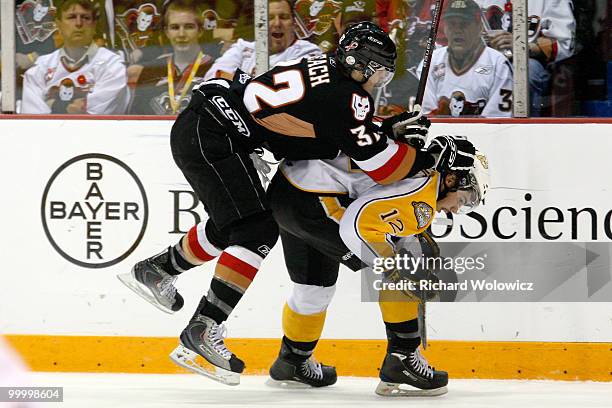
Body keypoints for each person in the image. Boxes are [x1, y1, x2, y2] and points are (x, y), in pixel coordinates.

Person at [118, 21, 470, 385]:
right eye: (379, 72)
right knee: (256, 230)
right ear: (361, 65)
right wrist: (427, 157)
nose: (378, 81)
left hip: (210, 122)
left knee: (237, 224)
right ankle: (204, 327)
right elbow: (382, 165)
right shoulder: (348, 96)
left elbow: (325, 131)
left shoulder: (322, 69)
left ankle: (159, 269)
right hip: (216, 134)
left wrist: (384, 131)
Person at [265, 134, 487, 394]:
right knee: (405, 268)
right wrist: (399, 270)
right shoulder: (422, 195)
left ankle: (292, 359)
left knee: (314, 287)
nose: (454, 209)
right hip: (315, 203)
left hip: (287, 192)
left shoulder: (414, 160)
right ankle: (402, 359)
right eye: (462, 200)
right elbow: (357, 228)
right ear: (450, 179)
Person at [21, 0, 129, 114]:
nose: (78, 23)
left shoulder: (111, 64)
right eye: (71, 17)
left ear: (94, 25)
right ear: (58, 24)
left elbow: (98, 116)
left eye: (86, 18)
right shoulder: (41, 67)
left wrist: (54, 104)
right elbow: (33, 118)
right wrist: (72, 108)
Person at [475, 0, 576, 116]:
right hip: (482, 58)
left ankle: (521, 129)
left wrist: (521, 46)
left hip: (530, 61)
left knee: (526, 72)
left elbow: (563, 43)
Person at [419, 0, 513, 117]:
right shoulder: (431, 62)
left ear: (479, 27)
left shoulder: (498, 64)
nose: (457, 30)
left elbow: (498, 121)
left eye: (464, 24)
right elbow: (426, 116)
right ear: (445, 28)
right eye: (452, 24)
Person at [129, 0, 216, 115]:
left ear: (200, 31)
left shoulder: (215, 70)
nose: (181, 34)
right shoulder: (150, 71)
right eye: (175, 27)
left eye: (189, 27)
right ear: (167, 32)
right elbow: (136, 118)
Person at [203, 0, 321, 80]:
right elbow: (212, 79)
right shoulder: (242, 47)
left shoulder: (308, 52)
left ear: (294, 24)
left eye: (284, 17)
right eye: (269, 18)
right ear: (259, 23)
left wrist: (237, 82)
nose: (277, 23)